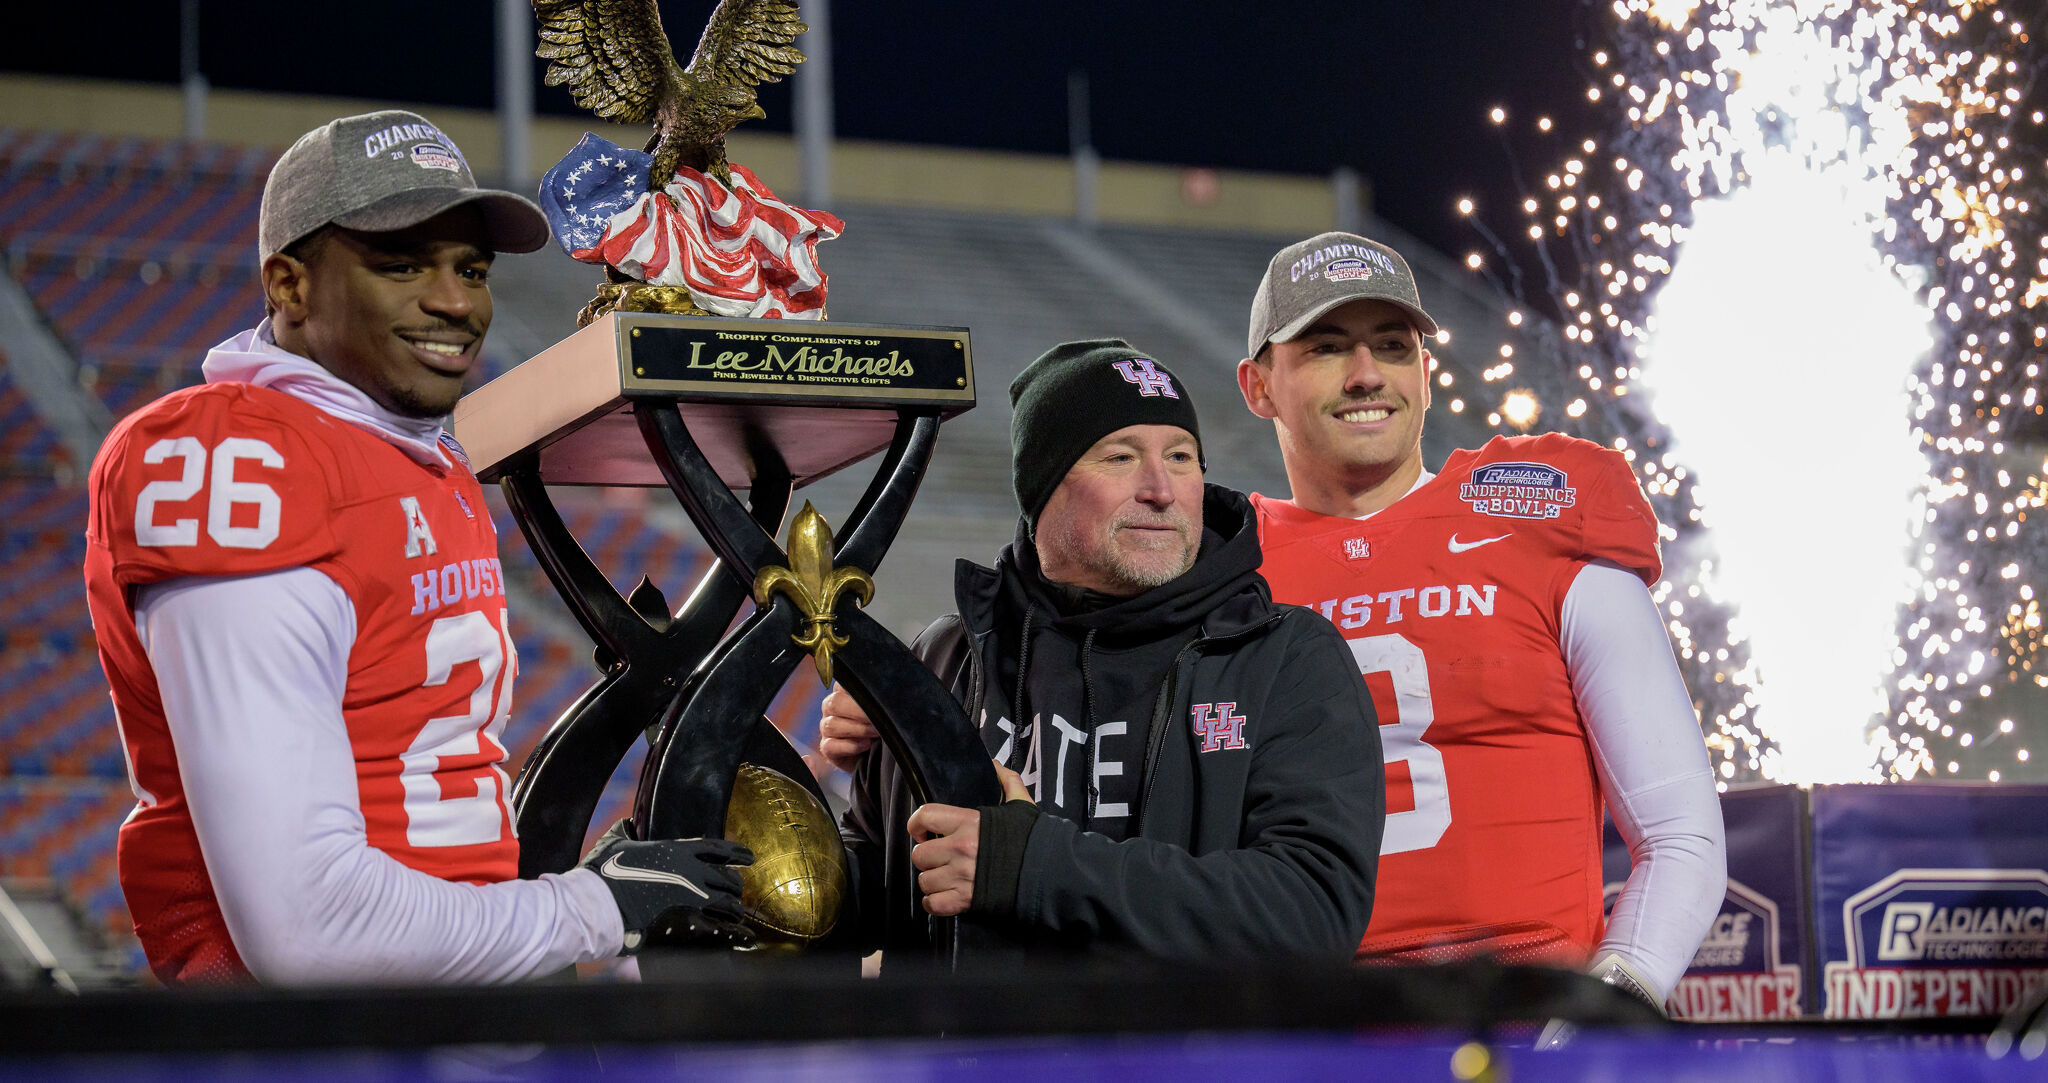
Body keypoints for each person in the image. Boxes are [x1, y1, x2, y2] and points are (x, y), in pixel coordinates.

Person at [83, 110, 753, 985]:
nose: (455, 302)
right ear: (288, 285)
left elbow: (429, 795)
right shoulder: (240, 460)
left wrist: (578, 916)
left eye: (470, 269)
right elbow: (309, 927)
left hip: (449, 1015)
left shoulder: (411, 450)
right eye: (401, 265)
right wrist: (588, 911)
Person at [1233, 231, 1726, 1007]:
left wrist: (1606, 1005)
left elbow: (1680, 835)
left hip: (1528, 1007)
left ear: (1425, 373)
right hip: (1311, 1024)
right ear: (1258, 386)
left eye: (1393, 346)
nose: (1367, 376)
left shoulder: (1535, 513)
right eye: (1328, 348)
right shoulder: (1222, 568)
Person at [826, 340, 1384, 961]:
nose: (1161, 490)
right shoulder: (946, 654)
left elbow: (1313, 913)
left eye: (1181, 456)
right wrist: (774, 884)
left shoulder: (1285, 657)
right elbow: (881, 880)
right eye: (1120, 458)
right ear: (1041, 490)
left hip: (1180, 1058)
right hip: (964, 1055)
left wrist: (1032, 868)